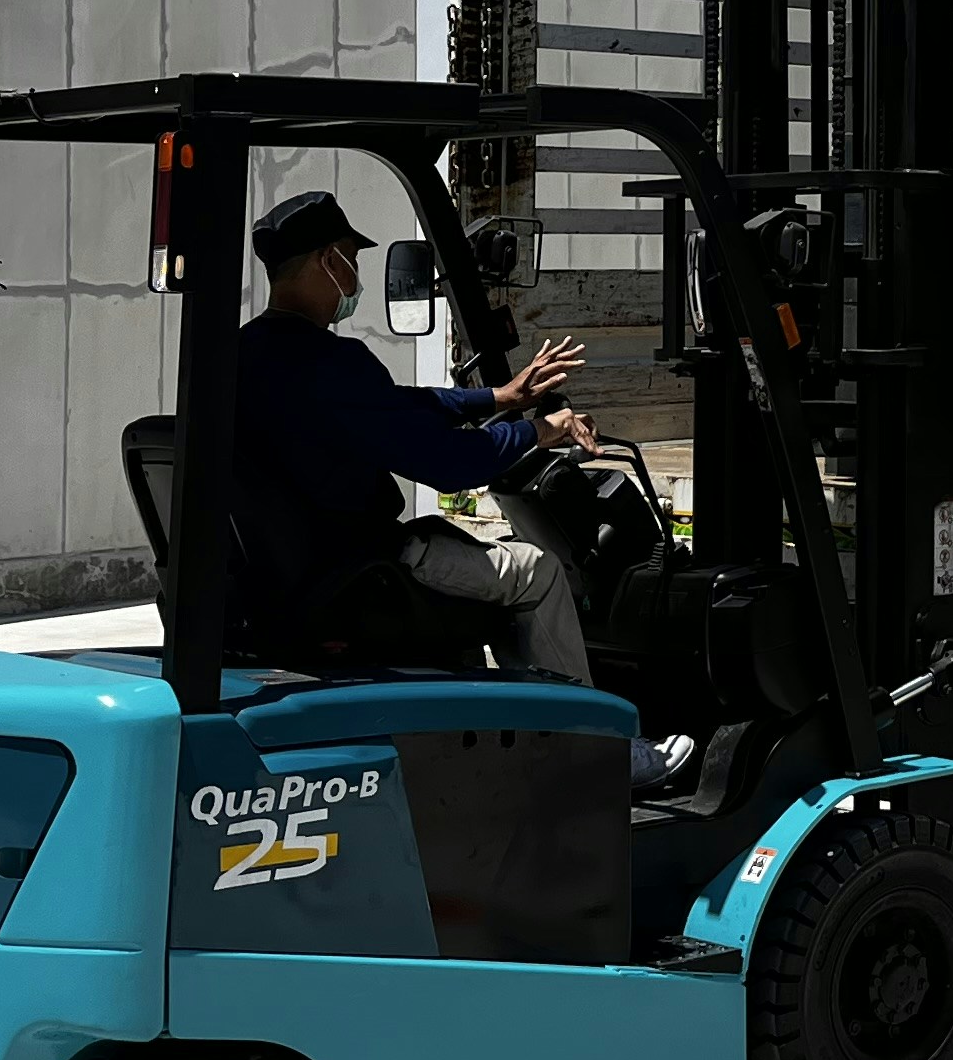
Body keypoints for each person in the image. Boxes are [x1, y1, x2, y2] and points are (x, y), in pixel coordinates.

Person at [233, 188, 692, 790]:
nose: (357, 273)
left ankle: (514, 737)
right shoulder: (333, 364)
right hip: (359, 568)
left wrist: (498, 399)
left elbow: (398, 406)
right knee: (537, 571)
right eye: (352, 256)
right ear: (329, 261)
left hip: (292, 573)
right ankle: (597, 758)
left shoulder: (245, 354)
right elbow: (450, 466)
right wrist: (537, 431)